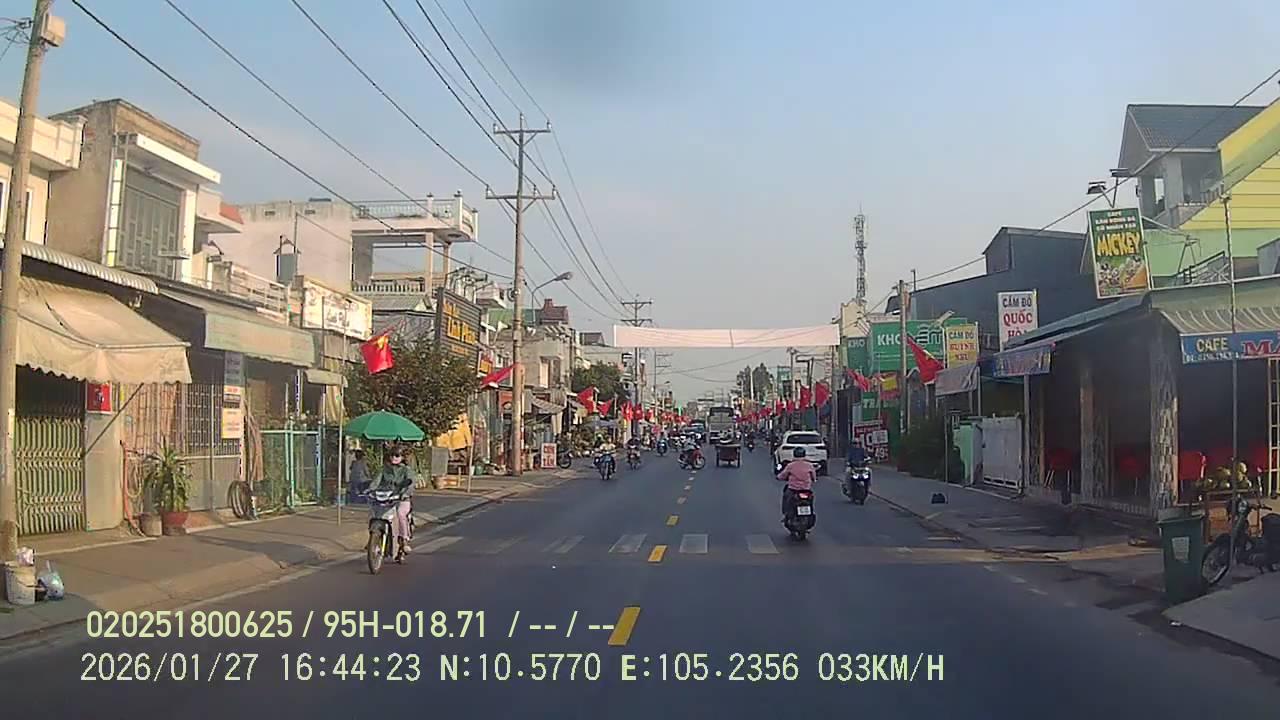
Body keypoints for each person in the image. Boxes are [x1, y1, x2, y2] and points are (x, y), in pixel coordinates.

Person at [371, 446, 416, 554]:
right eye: (392, 455)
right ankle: (374, 539)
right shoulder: (384, 469)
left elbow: (411, 484)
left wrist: (405, 494)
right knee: (375, 512)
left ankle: (404, 539)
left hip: (402, 499)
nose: (394, 458)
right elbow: (376, 482)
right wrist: (369, 490)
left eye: (397, 455)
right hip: (386, 497)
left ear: (402, 457)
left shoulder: (406, 470)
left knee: (400, 514)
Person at [776, 446, 816, 519]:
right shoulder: (809, 465)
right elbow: (814, 477)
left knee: (787, 499)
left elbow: (783, 475)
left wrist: (778, 477)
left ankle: (786, 514)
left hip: (793, 489)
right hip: (806, 489)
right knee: (810, 500)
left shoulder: (790, 465)